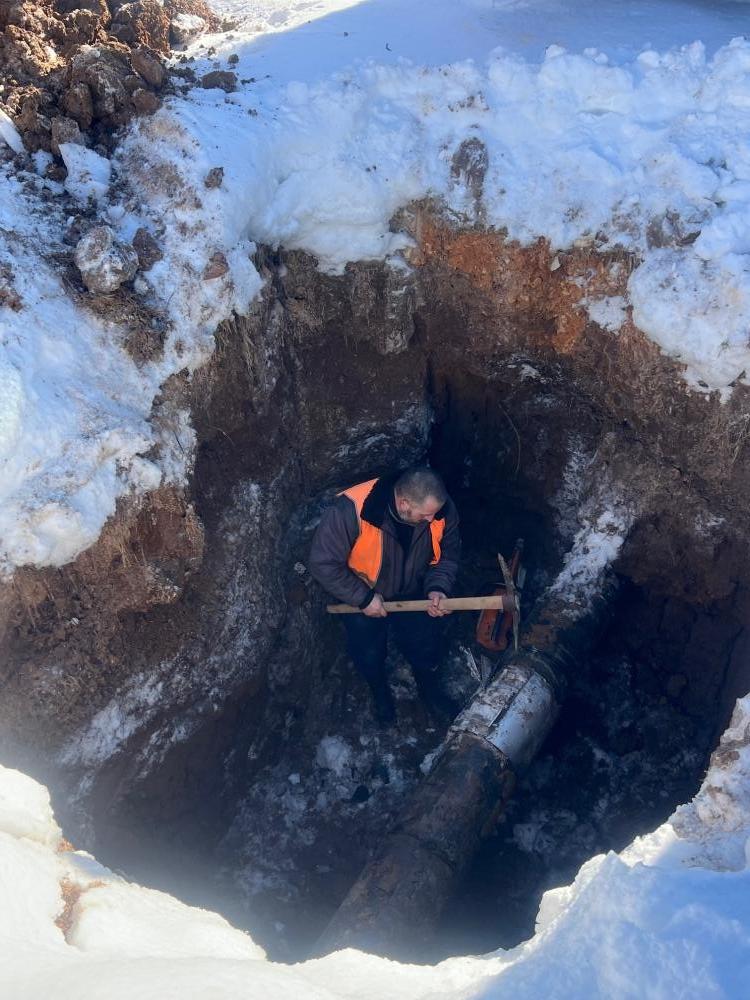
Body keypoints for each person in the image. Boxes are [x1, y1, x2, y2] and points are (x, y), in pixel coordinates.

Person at [309, 467, 460, 726]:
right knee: (368, 652)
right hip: (361, 595)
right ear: (403, 503)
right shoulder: (352, 509)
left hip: (414, 593)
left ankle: (429, 690)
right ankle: (380, 695)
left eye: (434, 514)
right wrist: (364, 598)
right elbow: (323, 563)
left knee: (424, 644)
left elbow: (448, 554)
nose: (432, 519)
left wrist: (438, 587)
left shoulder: (440, 510)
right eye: (425, 515)